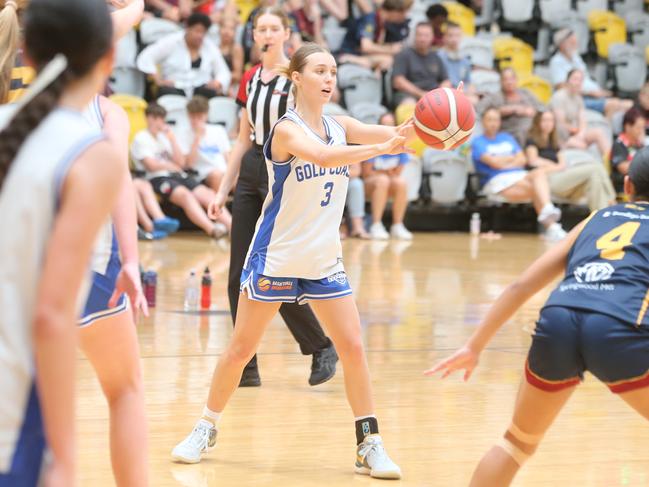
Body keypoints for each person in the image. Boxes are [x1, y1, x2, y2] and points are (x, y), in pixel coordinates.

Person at [171, 43, 409, 479]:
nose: (329, 78)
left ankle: (369, 443)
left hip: (323, 261)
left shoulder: (341, 126)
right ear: (297, 78)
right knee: (241, 350)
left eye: (333, 71)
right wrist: (383, 149)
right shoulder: (286, 129)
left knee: (353, 348)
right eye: (320, 70)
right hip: (276, 258)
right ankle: (205, 427)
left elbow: (404, 132)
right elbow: (322, 156)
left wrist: (443, 119)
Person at [427, 148, 649, 487]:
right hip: (617, 327)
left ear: (628, 185)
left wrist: (474, 346)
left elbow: (521, 285)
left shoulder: (599, 217)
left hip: (559, 318)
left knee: (515, 443)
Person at [0, 0, 122, 484]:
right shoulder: (92, 155)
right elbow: (51, 315)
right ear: (109, 59)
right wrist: (66, 457)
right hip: (13, 403)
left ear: (26, 54)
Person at [205, 7, 338, 387]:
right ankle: (246, 365)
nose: (266, 34)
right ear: (254, 35)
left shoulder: (295, 78)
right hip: (251, 170)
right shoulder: (249, 78)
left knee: (275, 272)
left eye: (273, 28)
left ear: (285, 34)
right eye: (260, 28)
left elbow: (314, 126)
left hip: (284, 171)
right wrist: (221, 189)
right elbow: (243, 138)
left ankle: (319, 345)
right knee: (237, 276)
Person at [130, 102, 230, 237]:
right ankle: (212, 229)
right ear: (148, 118)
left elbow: (181, 163)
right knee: (185, 196)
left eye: (161, 119)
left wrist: (172, 140)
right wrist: (169, 166)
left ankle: (233, 227)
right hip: (157, 178)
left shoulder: (164, 137)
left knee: (208, 194)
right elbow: (151, 165)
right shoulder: (141, 137)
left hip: (178, 175)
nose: (158, 122)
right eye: (155, 118)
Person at [472, 107, 567, 241]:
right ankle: (552, 226)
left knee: (539, 173)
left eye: (496, 120)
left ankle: (548, 213)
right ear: (483, 121)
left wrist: (503, 161)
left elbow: (522, 159)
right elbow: (494, 163)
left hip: (519, 174)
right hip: (497, 180)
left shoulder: (507, 138)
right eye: (490, 120)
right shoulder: (478, 142)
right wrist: (511, 159)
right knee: (538, 190)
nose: (493, 123)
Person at [526, 110, 615, 211]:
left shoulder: (554, 142)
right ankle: (613, 200)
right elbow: (533, 161)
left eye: (551, 120)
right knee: (596, 167)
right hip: (547, 180)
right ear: (538, 122)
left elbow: (562, 163)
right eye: (544, 120)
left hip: (562, 178)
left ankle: (602, 218)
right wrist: (555, 166)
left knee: (595, 180)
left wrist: (556, 166)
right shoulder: (532, 140)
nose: (548, 123)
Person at [136, 12, 231, 99]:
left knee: (211, 94)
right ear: (187, 28)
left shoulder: (209, 46)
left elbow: (223, 71)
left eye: (203, 32)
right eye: (197, 31)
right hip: (175, 87)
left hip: (201, 91)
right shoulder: (171, 41)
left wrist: (217, 82)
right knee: (165, 93)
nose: (200, 36)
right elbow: (146, 57)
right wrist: (158, 80)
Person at [549, 28, 631, 119]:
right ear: (561, 44)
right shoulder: (556, 62)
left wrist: (599, 92)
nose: (575, 44)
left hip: (593, 97)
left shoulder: (576, 57)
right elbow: (561, 87)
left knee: (629, 105)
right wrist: (591, 93)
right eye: (571, 42)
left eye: (574, 41)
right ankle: (607, 130)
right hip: (577, 99)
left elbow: (586, 78)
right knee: (613, 104)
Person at [363, 112, 413, 240]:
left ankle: (397, 225)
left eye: (391, 124)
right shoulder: (373, 144)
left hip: (387, 181)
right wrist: (386, 172)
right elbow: (367, 173)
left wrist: (382, 172)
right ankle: (376, 225)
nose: (388, 127)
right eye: (385, 125)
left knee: (401, 182)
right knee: (382, 180)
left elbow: (397, 174)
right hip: (369, 185)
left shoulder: (400, 145)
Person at [550, 69, 611, 158]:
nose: (578, 83)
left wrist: (581, 134)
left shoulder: (578, 98)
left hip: (575, 133)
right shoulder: (559, 97)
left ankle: (610, 162)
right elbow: (561, 124)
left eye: (580, 80)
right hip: (561, 137)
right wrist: (575, 135)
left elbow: (582, 119)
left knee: (599, 133)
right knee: (581, 145)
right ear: (567, 81)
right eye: (575, 79)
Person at [477, 68, 543, 147]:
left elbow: (541, 108)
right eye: (505, 79)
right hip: (510, 133)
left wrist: (532, 111)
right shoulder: (495, 97)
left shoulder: (525, 93)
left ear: (516, 80)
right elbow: (479, 109)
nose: (509, 82)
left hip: (533, 130)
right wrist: (505, 111)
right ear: (500, 82)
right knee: (522, 132)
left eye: (512, 79)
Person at [391, 22, 450, 110]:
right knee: (409, 105)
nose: (422, 39)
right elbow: (398, 82)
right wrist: (421, 94)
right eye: (419, 35)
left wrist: (439, 95)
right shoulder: (404, 54)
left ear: (432, 37)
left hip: (433, 98)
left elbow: (446, 81)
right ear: (414, 36)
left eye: (426, 35)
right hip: (408, 95)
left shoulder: (436, 57)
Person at [611, 108, 647, 194]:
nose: (641, 131)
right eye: (638, 128)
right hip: (625, 187)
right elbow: (624, 168)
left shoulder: (641, 144)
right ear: (627, 127)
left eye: (643, 128)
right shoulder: (619, 144)